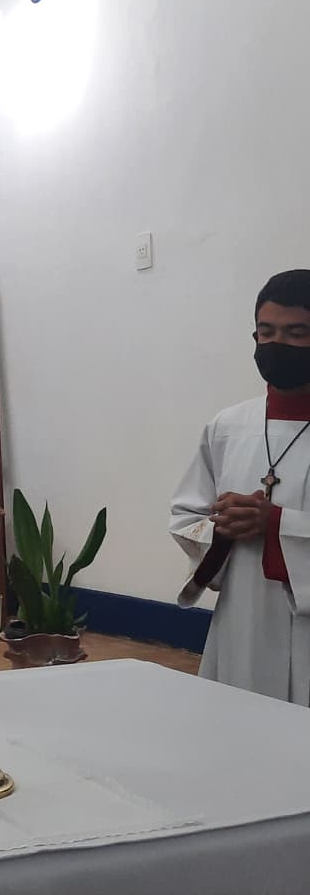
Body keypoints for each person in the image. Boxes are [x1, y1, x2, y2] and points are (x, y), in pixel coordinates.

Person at [172, 269, 310, 704]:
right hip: (243, 625)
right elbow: (185, 519)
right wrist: (220, 531)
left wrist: (277, 525)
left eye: (296, 333)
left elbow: (277, 526)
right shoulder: (228, 427)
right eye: (266, 332)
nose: (277, 346)